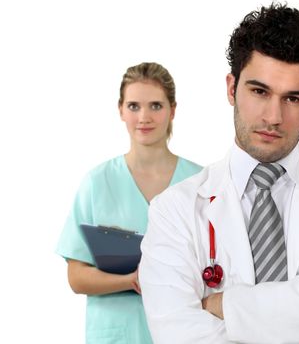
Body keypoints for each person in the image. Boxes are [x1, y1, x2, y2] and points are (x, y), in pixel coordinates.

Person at [139, 4, 299, 344]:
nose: (273, 116)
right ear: (232, 88)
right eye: (259, 92)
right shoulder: (174, 210)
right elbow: (179, 335)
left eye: (293, 98)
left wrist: (224, 305)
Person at [56, 62, 202, 344]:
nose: (144, 117)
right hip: (119, 332)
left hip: (185, 329)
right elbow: (76, 277)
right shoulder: (97, 183)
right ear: (120, 110)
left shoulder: (199, 181)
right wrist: (131, 280)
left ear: (173, 110)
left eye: (156, 106)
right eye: (134, 106)